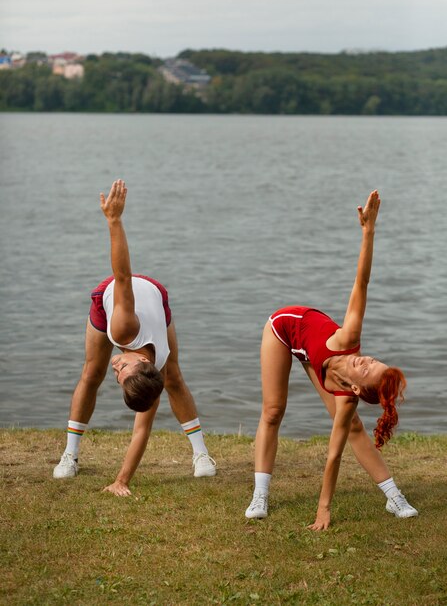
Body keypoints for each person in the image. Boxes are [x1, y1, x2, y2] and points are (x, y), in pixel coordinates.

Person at [245, 190, 418, 529]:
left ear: (355, 388)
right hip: (283, 329)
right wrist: (368, 233)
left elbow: (333, 455)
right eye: (372, 359)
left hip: (315, 356)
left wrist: (323, 508)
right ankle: (260, 493)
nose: (365, 358)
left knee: (351, 428)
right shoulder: (348, 339)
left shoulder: (346, 398)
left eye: (367, 368)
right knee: (273, 410)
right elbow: (362, 283)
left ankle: (393, 495)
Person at [53, 179, 216, 494]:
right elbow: (123, 277)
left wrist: (121, 481)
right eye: (123, 369)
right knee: (91, 372)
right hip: (115, 294)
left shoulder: (151, 376)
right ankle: (70, 454)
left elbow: (142, 429)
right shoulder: (124, 329)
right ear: (142, 360)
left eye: (119, 376)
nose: (117, 368)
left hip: (156, 298)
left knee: (176, 379)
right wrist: (114, 220)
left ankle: (201, 454)